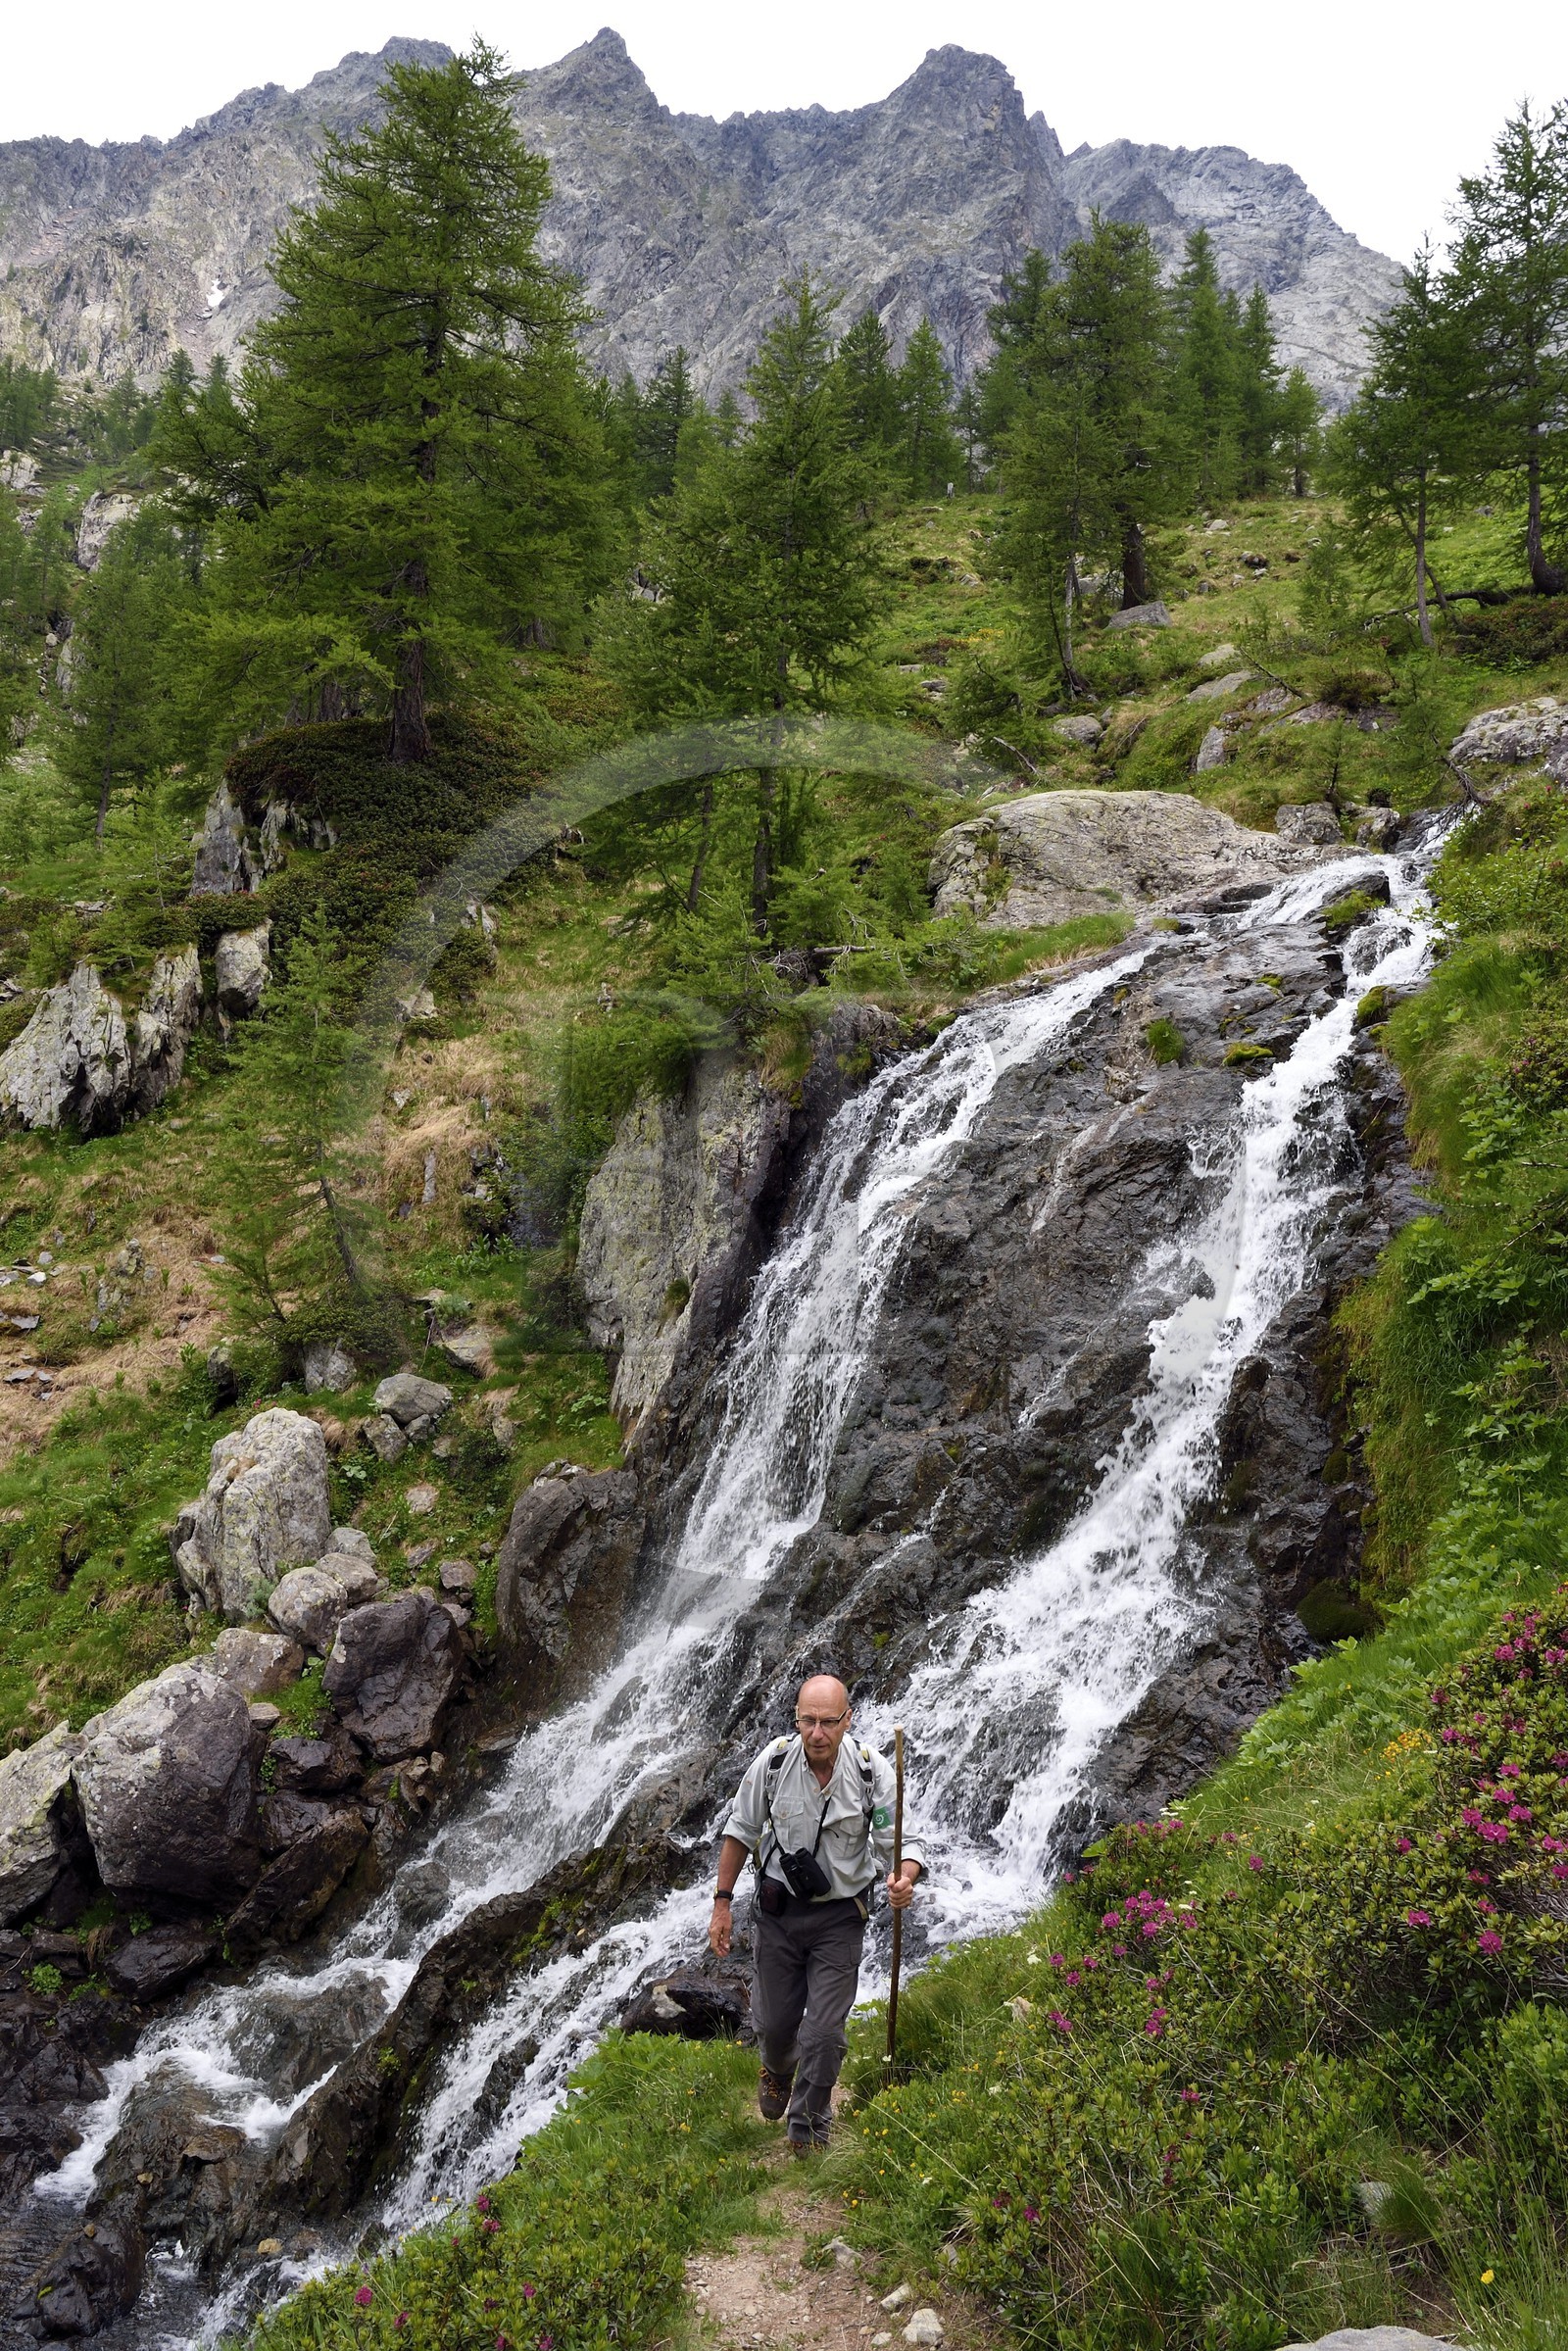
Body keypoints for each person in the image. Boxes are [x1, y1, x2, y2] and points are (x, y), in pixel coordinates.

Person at [709, 1672, 922, 2153]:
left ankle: (808, 2124)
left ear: (848, 1720)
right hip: (778, 1916)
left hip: (840, 1918)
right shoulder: (774, 1763)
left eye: (829, 1721)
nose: (817, 1733)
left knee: (824, 2032)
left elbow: (900, 1846)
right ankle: (778, 2067)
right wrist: (722, 1905)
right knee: (776, 2027)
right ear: (797, 1719)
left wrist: (904, 1878)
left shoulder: (872, 1774)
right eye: (809, 1721)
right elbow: (740, 1831)